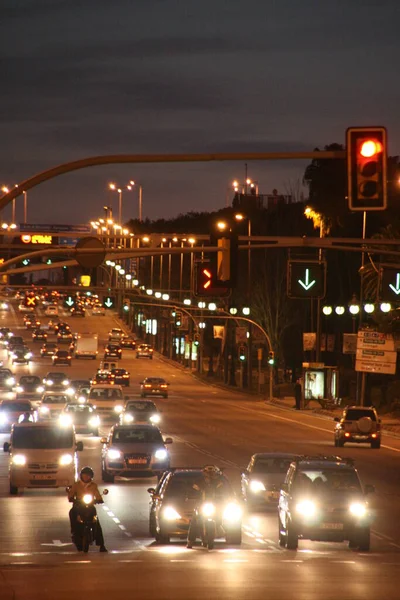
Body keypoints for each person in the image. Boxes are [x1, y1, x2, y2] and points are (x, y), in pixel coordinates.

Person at [187, 465, 231, 548]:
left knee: (229, 519)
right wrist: (191, 495)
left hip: (215, 505)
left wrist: (225, 498)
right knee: (194, 521)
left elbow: (226, 492)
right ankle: (190, 541)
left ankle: (227, 535)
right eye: (208, 474)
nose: (210, 476)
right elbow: (192, 490)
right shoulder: (199, 481)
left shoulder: (220, 482)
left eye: (212, 473)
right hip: (201, 504)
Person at [67, 466, 108, 552]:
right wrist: (71, 498)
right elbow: (71, 494)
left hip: (90, 506)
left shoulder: (93, 485)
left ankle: (101, 545)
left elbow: (97, 494)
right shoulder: (76, 485)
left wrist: (99, 499)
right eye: (84, 475)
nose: (86, 477)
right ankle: (74, 531)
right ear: (81, 476)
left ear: (91, 476)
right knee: (72, 512)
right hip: (78, 506)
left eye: (88, 475)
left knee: (96, 522)